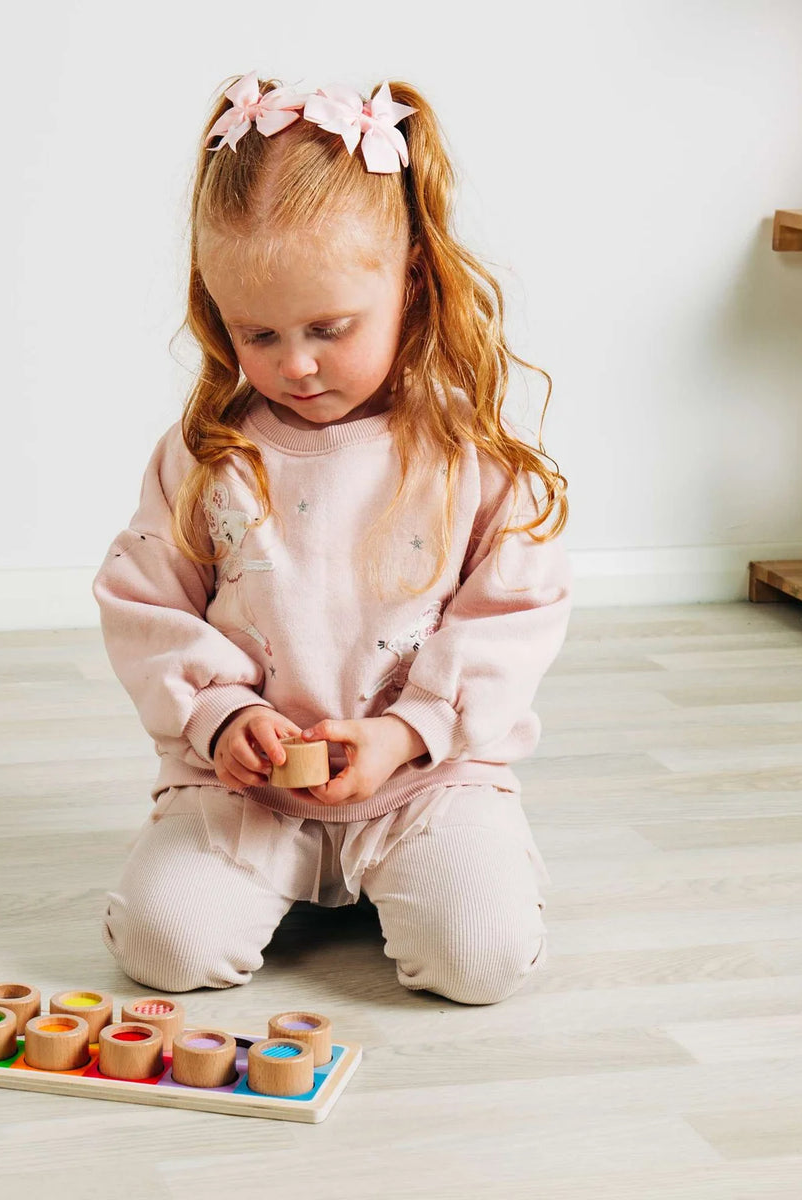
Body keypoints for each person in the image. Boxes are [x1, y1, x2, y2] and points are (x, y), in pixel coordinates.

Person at [92, 71, 572, 1005]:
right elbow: (144, 601)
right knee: (165, 951)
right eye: (257, 333)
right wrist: (221, 716)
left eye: (329, 328)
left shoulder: (467, 451)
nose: (295, 363)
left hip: (423, 779)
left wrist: (407, 732)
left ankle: (434, 872)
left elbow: (512, 615)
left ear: (411, 281)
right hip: (249, 789)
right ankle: (280, 873)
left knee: (480, 961)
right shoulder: (209, 456)